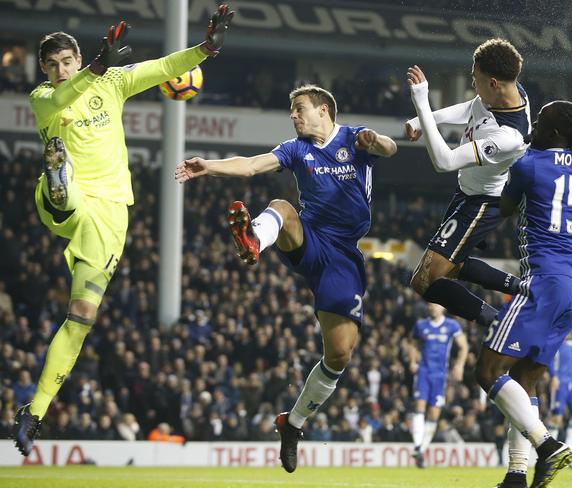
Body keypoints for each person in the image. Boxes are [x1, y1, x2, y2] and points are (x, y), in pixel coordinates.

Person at [12, 4, 235, 457]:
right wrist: (92, 69)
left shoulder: (113, 82)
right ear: (44, 70)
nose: (59, 70)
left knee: (82, 316)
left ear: (76, 58)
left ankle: (33, 413)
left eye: (66, 61)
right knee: (63, 190)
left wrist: (206, 47)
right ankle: (57, 181)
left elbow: (162, 67)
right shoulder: (43, 98)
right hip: (71, 198)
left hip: (111, 214)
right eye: (52, 65)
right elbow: (59, 99)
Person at [175, 84, 397, 472]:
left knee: (340, 354)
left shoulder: (353, 139)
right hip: (308, 238)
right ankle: (254, 240)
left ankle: (292, 424)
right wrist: (209, 166)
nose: (293, 116)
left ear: (324, 110)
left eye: (299, 109)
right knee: (281, 206)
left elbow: (390, 149)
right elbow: (252, 165)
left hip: (343, 255)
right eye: (291, 111)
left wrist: (375, 139)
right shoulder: (296, 149)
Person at [472, 100, 572, 488]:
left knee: (486, 371)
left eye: (540, 121)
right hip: (570, 287)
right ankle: (516, 474)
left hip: (541, 282)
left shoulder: (528, 165)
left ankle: (546, 444)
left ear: (556, 132)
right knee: (522, 382)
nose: (533, 124)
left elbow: (508, 205)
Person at [406, 38, 528, 328]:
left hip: (483, 203)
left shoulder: (509, 136)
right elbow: (471, 108)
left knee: (424, 281)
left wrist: (422, 102)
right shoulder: (506, 92)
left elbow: (444, 162)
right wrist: (424, 120)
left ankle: (499, 323)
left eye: (476, 79)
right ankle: (522, 289)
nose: (474, 84)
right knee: (452, 264)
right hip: (466, 192)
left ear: (494, 82)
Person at [408, 303, 468, 468]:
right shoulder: (421, 325)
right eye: (430, 304)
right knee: (419, 407)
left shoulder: (451, 325)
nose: (432, 307)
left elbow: (463, 346)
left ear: (443, 308)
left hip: (440, 375)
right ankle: (417, 446)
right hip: (423, 372)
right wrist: (413, 361)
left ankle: (421, 450)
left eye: (436, 305)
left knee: (434, 414)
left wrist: (460, 365)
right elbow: (412, 343)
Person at [547, 335, 572, 452]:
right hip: (560, 381)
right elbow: (549, 356)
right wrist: (553, 375)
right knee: (557, 417)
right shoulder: (556, 336)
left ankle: (569, 450)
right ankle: (549, 453)